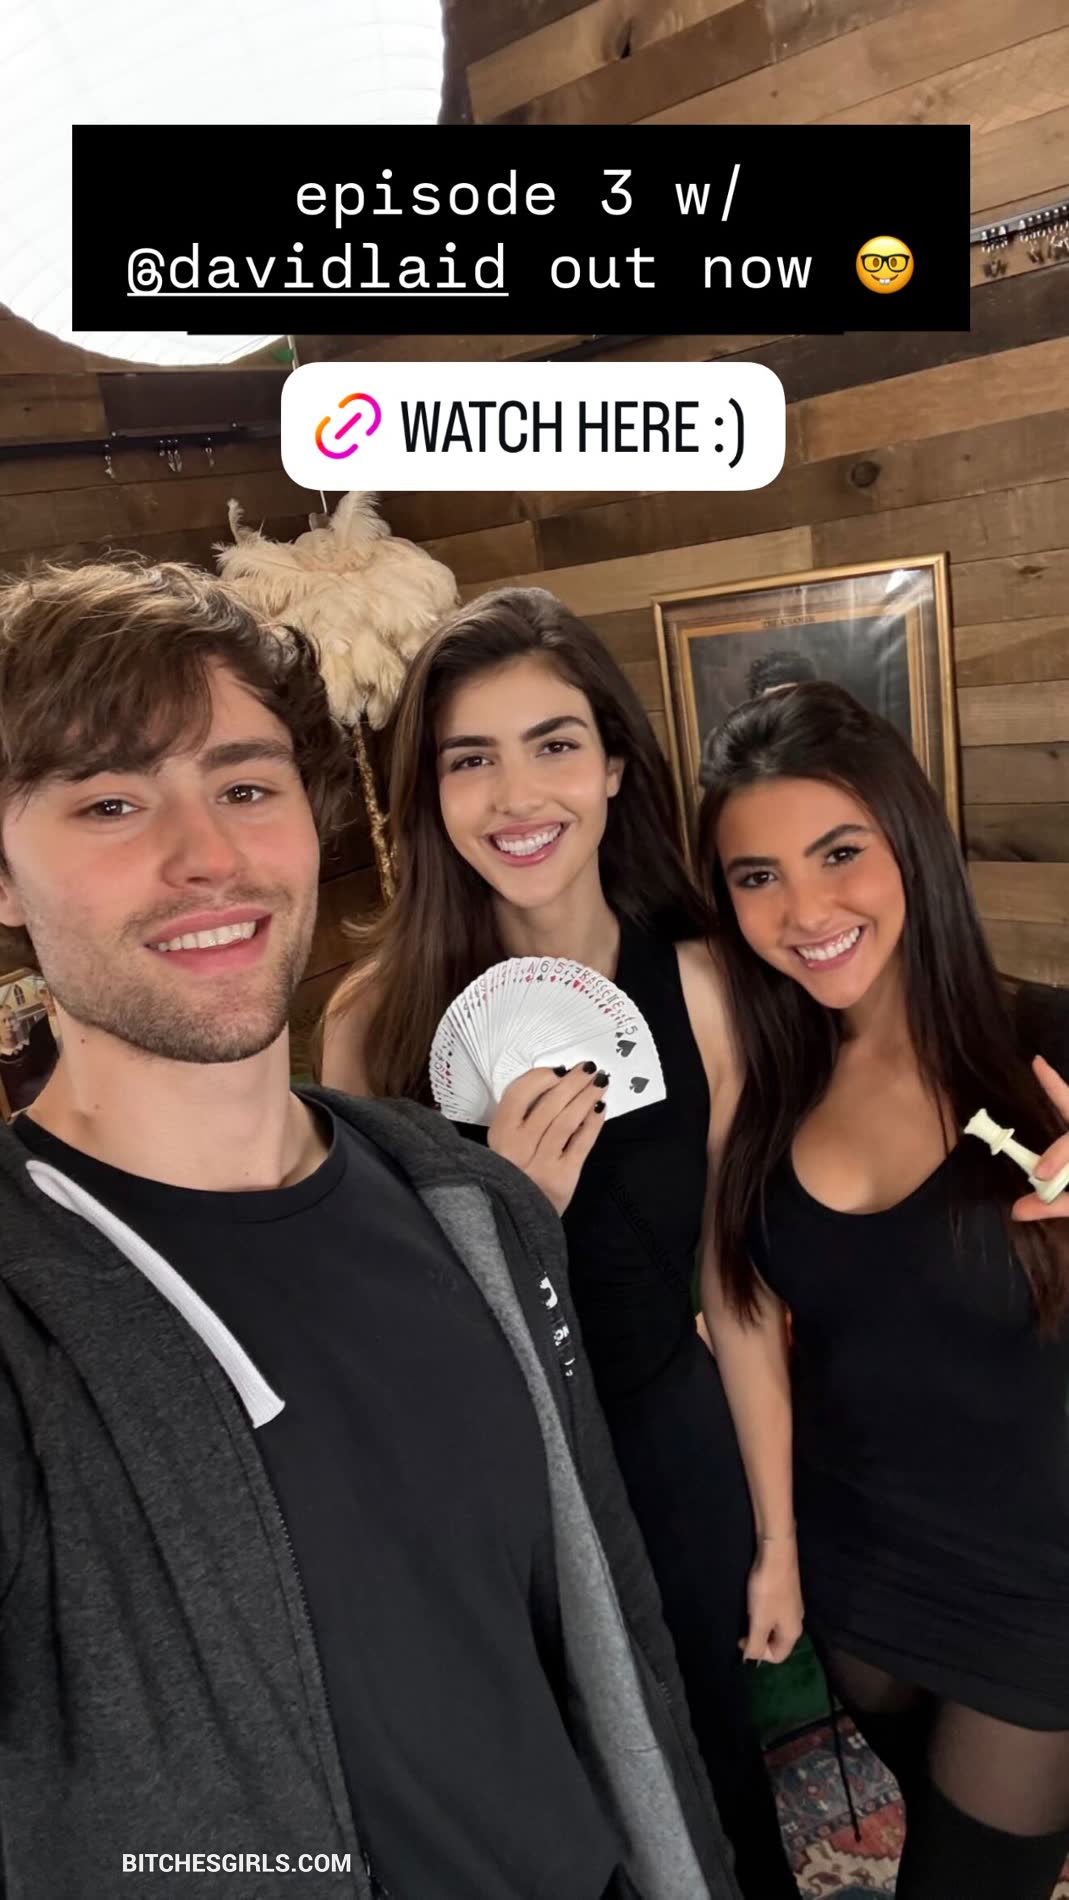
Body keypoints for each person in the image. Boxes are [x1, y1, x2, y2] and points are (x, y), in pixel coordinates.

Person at [0, 558, 741, 1900]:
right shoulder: (28, 1310)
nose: (206, 854)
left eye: (244, 786)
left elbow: (597, 1645)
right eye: (109, 801)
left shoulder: (460, 1206)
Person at [321, 586, 803, 1900]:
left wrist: (774, 1537)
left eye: (553, 743)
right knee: (555, 1812)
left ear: (613, 766)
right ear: (428, 794)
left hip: (669, 1450)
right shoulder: (370, 1022)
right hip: (494, 1479)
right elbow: (380, 1336)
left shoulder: (702, 984)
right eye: (468, 758)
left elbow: (736, 1287)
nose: (516, 794)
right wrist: (507, 1211)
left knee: (712, 1777)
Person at [696, 680, 1069, 1900]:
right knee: (930, 1820)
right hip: (858, 1570)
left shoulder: (1047, 1048)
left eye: (838, 851)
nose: (806, 910)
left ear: (908, 839)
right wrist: (776, 1547)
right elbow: (746, 1306)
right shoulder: (765, 1083)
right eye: (757, 876)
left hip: (1037, 1587)